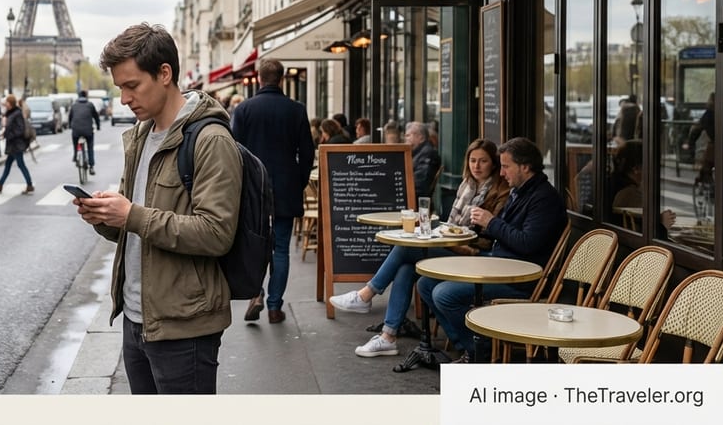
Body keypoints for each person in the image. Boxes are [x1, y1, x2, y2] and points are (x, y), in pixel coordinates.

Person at [74, 23, 242, 394]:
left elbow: (216, 233)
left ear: (164, 73)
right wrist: (103, 216)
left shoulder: (211, 140)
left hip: (185, 323)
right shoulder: (139, 135)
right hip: (137, 318)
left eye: (132, 86)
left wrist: (130, 214)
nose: (124, 98)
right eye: (120, 88)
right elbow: (132, 223)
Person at [330, 139, 510, 357]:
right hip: (457, 246)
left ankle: (366, 295)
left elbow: (490, 236)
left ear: (494, 164)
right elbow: (454, 225)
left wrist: (460, 235)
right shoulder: (467, 186)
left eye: (483, 161)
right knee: (406, 268)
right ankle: (388, 336)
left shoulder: (500, 191)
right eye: (473, 160)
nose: (477, 166)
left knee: (406, 249)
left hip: (476, 254)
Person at [417, 137, 567, 362]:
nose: (502, 172)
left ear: (525, 167)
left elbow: (527, 243)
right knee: (425, 283)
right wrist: (481, 228)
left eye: (506, 166)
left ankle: (481, 351)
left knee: (444, 294)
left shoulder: (543, 198)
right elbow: (504, 233)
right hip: (498, 262)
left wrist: (491, 222)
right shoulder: (520, 190)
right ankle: (468, 346)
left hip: (520, 278)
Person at [231, 59, 314, 324]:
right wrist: (298, 182)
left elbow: (234, 152)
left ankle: (256, 293)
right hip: (285, 187)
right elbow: (307, 152)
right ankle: (275, 306)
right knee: (281, 248)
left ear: (258, 78)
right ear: (282, 79)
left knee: (253, 245)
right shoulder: (296, 110)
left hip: (253, 189)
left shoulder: (244, 109)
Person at [0, 94, 34, 193]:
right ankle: (0, 185)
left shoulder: (16, 113)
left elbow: (20, 129)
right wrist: (4, 134)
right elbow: (11, 127)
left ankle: (29, 185)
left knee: (20, 165)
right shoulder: (11, 113)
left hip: (16, 145)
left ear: (11, 103)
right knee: (8, 165)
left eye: (7, 103)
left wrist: (9, 135)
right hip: (13, 144)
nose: (6, 104)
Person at [683, 91, 715, 185]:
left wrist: (690, 146)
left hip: (714, 146)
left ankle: (709, 184)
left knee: (707, 166)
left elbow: (696, 131)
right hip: (715, 145)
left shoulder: (708, 114)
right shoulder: (711, 114)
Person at [67, 90, 101, 175]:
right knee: (90, 147)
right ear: (86, 96)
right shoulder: (90, 105)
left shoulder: (74, 105)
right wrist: (98, 126)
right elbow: (96, 117)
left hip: (76, 130)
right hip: (88, 131)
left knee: (75, 140)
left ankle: (75, 155)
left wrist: (70, 126)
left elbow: (70, 117)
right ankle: (91, 166)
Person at [406, 121, 440, 200]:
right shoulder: (416, 153)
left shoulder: (428, 154)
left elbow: (420, 184)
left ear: (420, 138)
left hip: (415, 201)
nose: (406, 139)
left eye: (408, 135)